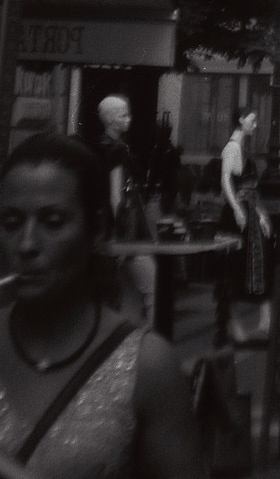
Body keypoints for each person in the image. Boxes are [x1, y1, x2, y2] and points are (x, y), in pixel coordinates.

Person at [0, 134, 203, 478]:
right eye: (11, 223)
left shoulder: (148, 367)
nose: (27, 244)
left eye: (53, 222)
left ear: (95, 231)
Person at [92, 97, 154, 325]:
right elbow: (116, 195)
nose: (129, 119)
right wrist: (121, 231)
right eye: (123, 115)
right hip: (124, 231)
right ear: (110, 120)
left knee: (119, 289)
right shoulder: (116, 150)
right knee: (150, 285)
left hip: (110, 230)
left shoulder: (102, 146)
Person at [219, 109, 271, 344]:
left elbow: (251, 189)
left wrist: (261, 215)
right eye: (252, 120)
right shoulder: (231, 148)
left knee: (258, 265)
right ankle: (234, 325)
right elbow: (226, 181)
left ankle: (265, 322)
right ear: (241, 120)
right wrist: (237, 209)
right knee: (235, 269)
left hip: (250, 211)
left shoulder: (243, 148)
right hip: (237, 215)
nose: (255, 125)